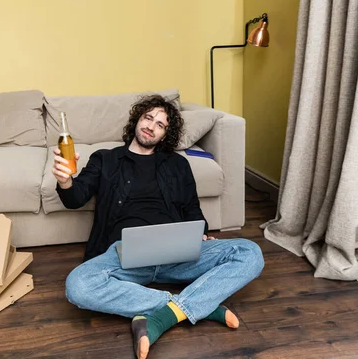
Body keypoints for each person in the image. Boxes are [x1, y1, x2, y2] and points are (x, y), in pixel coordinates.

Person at [52, 94, 264, 359]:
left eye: (161, 124)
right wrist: (65, 181)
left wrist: (201, 234)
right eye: (148, 117)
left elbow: (192, 209)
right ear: (138, 120)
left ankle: (164, 314)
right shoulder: (104, 159)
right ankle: (197, 306)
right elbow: (75, 198)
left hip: (175, 254)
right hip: (122, 254)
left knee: (250, 252)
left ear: (165, 134)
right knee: (78, 286)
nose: (151, 126)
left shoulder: (177, 164)